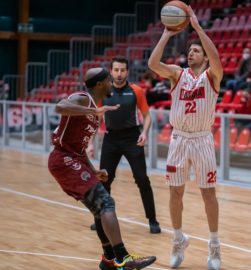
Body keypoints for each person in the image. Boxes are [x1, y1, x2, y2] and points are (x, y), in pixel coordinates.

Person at [48, 67, 156, 270]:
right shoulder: (83, 98)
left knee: (100, 209)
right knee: (107, 203)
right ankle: (122, 258)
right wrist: (92, 111)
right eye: (108, 79)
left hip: (73, 159)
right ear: (99, 84)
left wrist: (94, 170)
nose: (112, 82)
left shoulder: (93, 109)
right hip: (63, 160)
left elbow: (79, 148)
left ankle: (108, 258)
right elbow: (60, 106)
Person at [148, 5, 223, 270]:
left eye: (196, 51)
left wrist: (198, 28)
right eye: (189, 50)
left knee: (208, 195)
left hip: (202, 139)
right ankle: (178, 240)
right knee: (175, 193)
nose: (191, 53)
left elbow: (216, 60)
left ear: (203, 57)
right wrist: (167, 34)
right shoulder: (176, 74)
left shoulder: (212, 76)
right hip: (179, 139)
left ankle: (214, 247)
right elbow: (152, 64)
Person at [94, 57, 161, 234]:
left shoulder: (136, 91)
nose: (119, 73)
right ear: (111, 71)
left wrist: (144, 132)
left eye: (122, 70)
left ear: (127, 71)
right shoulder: (103, 92)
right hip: (110, 139)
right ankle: (100, 220)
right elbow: (97, 118)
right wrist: (89, 143)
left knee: (142, 179)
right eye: (116, 70)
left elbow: (147, 116)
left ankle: (152, 220)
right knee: (104, 180)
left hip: (132, 138)